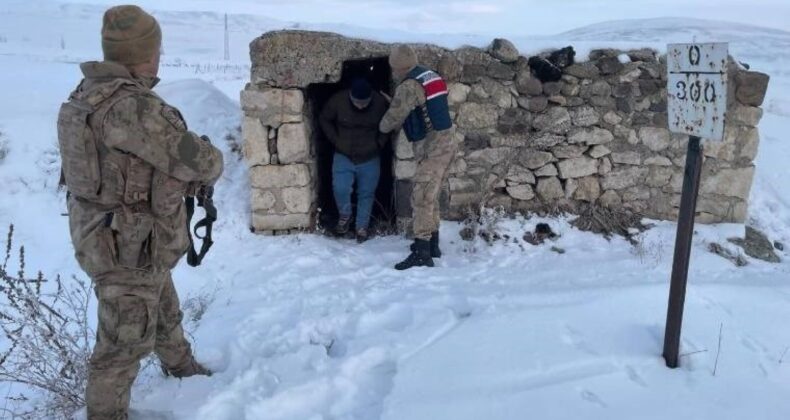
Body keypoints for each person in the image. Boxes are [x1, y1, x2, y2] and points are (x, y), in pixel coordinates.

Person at [56, 6, 223, 419]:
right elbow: (199, 162)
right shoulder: (133, 108)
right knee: (121, 345)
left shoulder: (86, 94)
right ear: (145, 54)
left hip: (111, 236)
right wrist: (208, 155)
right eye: (157, 48)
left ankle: (181, 368)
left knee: (163, 304)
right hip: (128, 244)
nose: (160, 55)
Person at [379, 45, 457, 270]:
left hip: (433, 147)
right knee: (431, 194)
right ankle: (432, 243)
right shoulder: (429, 75)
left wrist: (380, 127)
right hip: (448, 142)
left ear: (397, 67)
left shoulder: (409, 85)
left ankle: (423, 251)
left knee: (421, 196)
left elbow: (393, 118)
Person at [319, 78, 389, 243]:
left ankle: (361, 226)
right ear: (350, 96)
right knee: (340, 188)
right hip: (344, 154)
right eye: (357, 102)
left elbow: (390, 122)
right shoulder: (338, 100)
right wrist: (335, 140)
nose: (361, 106)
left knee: (366, 193)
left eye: (364, 102)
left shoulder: (380, 103)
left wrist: (380, 142)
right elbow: (324, 118)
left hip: (370, 155)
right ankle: (345, 216)